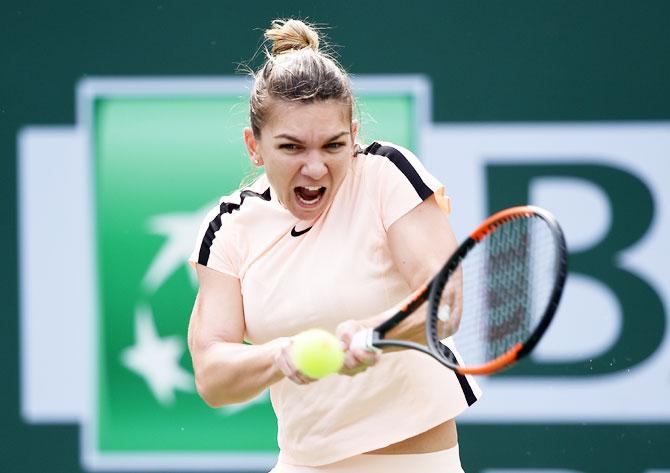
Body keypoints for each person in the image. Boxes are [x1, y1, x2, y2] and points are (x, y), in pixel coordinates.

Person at [188, 19, 481, 473]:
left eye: (333, 145)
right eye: (291, 147)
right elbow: (212, 373)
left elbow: (443, 303)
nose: (315, 168)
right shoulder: (229, 228)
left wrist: (372, 331)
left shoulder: (385, 174)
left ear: (354, 136)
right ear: (255, 146)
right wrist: (281, 355)